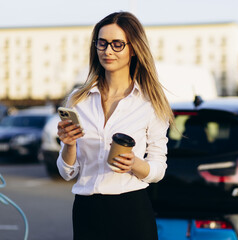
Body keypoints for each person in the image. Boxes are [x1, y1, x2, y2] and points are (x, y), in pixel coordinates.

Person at [56, 11, 173, 240]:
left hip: (131, 210)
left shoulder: (149, 102)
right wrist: (68, 145)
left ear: (133, 48)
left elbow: (159, 168)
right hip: (86, 211)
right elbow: (67, 172)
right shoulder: (78, 100)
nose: (108, 51)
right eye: (102, 43)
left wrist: (135, 164)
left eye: (117, 44)